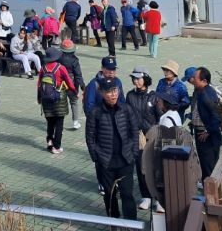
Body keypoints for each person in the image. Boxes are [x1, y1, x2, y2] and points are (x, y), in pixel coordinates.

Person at [86, 77, 139, 220]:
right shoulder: (95, 112)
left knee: (127, 194)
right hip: (106, 162)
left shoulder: (126, 109)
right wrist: (96, 157)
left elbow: (134, 132)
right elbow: (90, 136)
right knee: (109, 195)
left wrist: (134, 153)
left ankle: (131, 225)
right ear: (102, 93)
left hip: (125, 160)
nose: (113, 94)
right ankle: (114, 223)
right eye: (109, 92)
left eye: (115, 90)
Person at [127, 67, 160, 212]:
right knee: (141, 167)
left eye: (138, 78)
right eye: (134, 78)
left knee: (156, 168)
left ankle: (158, 198)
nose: (136, 81)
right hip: (137, 136)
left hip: (153, 136)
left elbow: (159, 116)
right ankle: (146, 196)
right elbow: (127, 115)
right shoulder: (130, 95)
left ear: (145, 79)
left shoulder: (154, 96)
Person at [38, 47, 76, 154]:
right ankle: (57, 146)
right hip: (59, 98)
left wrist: (39, 97)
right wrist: (74, 91)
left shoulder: (43, 68)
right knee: (59, 124)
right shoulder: (60, 67)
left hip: (46, 99)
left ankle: (49, 141)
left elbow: (39, 84)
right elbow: (69, 82)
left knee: (50, 122)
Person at [190, 67, 222, 179]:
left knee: (209, 169)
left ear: (204, 81)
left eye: (195, 78)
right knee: (206, 167)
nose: (192, 80)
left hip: (207, 138)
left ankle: (211, 189)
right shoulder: (202, 91)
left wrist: (208, 130)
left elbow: (217, 115)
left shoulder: (206, 94)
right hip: (204, 135)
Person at [59, 38, 85, 129]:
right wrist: (82, 86)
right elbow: (78, 74)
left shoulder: (58, 58)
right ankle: (75, 122)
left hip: (60, 83)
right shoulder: (74, 60)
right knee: (74, 102)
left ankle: (59, 125)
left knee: (60, 104)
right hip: (71, 83)